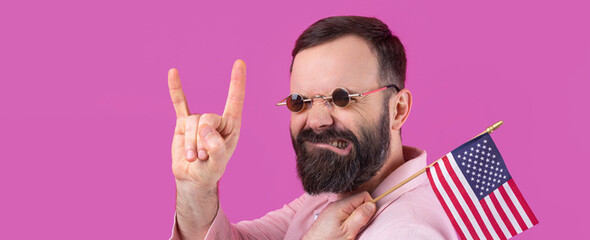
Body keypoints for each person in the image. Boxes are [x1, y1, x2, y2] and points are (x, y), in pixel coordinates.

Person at [167, 16, 456, 239]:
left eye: (342, 98)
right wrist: (196, 188)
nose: (317, 121)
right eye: (300, 101)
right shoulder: (331, 197)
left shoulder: (408, 230)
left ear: (398, 110)